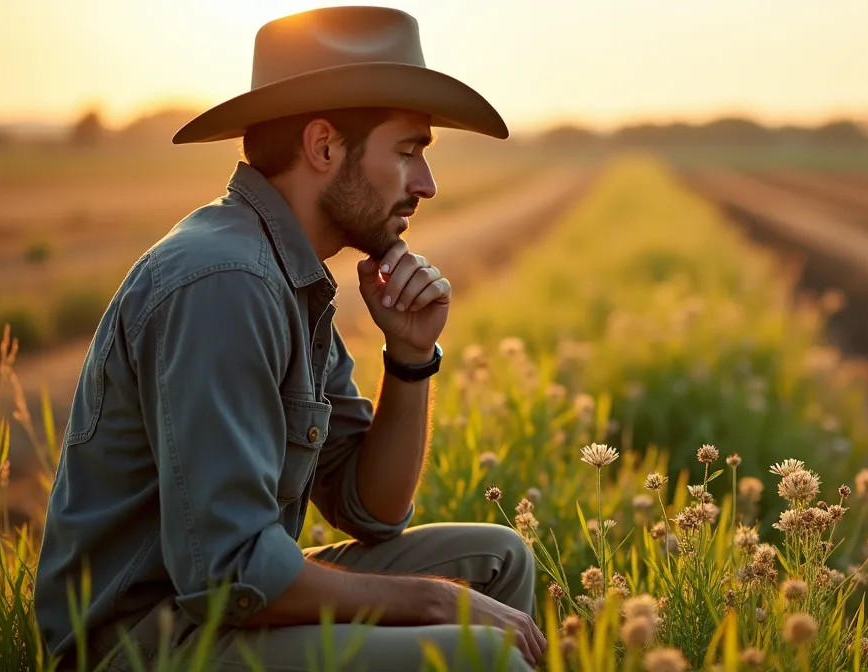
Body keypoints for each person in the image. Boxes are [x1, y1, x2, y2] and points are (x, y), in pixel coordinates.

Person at [32, 6, 545, 671]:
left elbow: (369, 509)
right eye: (409, 151)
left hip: (211, 607)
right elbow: (231, 573)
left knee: (498, 561)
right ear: (324, 146)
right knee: (480, 653)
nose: (427, 184)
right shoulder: (225, 282)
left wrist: (411, 358)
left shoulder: (287, 273)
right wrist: (433, 602)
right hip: (149, 642)